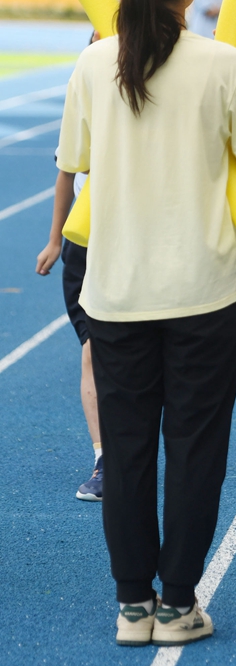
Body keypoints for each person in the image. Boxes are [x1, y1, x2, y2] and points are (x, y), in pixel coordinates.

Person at [55, 0, 236, 646]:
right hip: (206, 291)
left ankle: (130, 605)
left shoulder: (92, 64)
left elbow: (78, 161)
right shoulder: (226, 63)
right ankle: (178, 605)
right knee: (196, 450)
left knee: (126, 449)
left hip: (116, 290)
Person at [36, 169, 102, 499]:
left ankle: (133, 450)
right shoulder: (81, 115)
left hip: (138, 233)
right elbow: (66, 170)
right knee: (92, 348)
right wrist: (55, 240)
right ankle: (104, 459)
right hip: (86, 241)